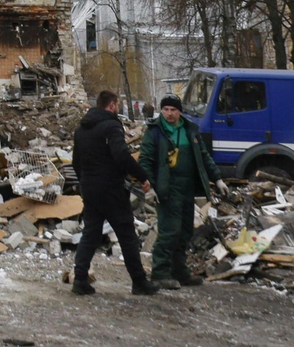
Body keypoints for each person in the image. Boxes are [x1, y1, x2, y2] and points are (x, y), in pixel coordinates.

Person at [71, 89, 158, 296]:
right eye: (117, 105)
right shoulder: (111, 126)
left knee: (90, 234)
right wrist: (142, 176)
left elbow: (76, 162)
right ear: (111, 105)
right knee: (126, 234)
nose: (117, 109)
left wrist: (85, 182)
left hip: (90, 189)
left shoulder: (81, 129)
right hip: (111, 189)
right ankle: (139, 282)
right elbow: (121, 155)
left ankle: (80, 279)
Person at [140, 94, 224, 289]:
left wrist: (217, 178)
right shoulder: (154, 132)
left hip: (187, 188)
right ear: (161, 111)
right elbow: (145, 160)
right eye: (166, 110)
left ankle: (179, 271)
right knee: (170, 230)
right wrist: (149, 185)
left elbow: (203, 156)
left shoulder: (189, 130)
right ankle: (160, 273)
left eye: (173, 110)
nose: (169, 114)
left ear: (180, 111)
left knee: (185, 230)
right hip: (167, 188)